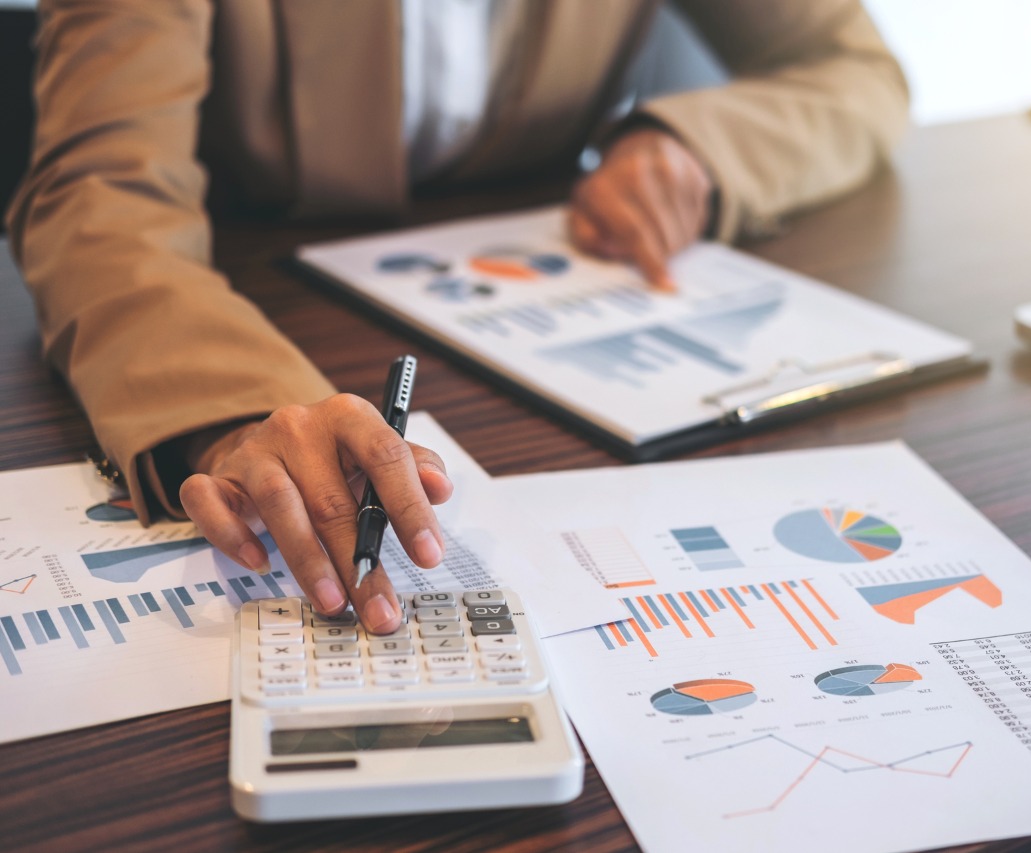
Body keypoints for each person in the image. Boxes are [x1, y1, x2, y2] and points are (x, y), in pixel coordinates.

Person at [6, 0, 908, 633]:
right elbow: (100, 191)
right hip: (243, 290)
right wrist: (241, 408)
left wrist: (696, 146)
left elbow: (853, 70)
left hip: (534, 313)